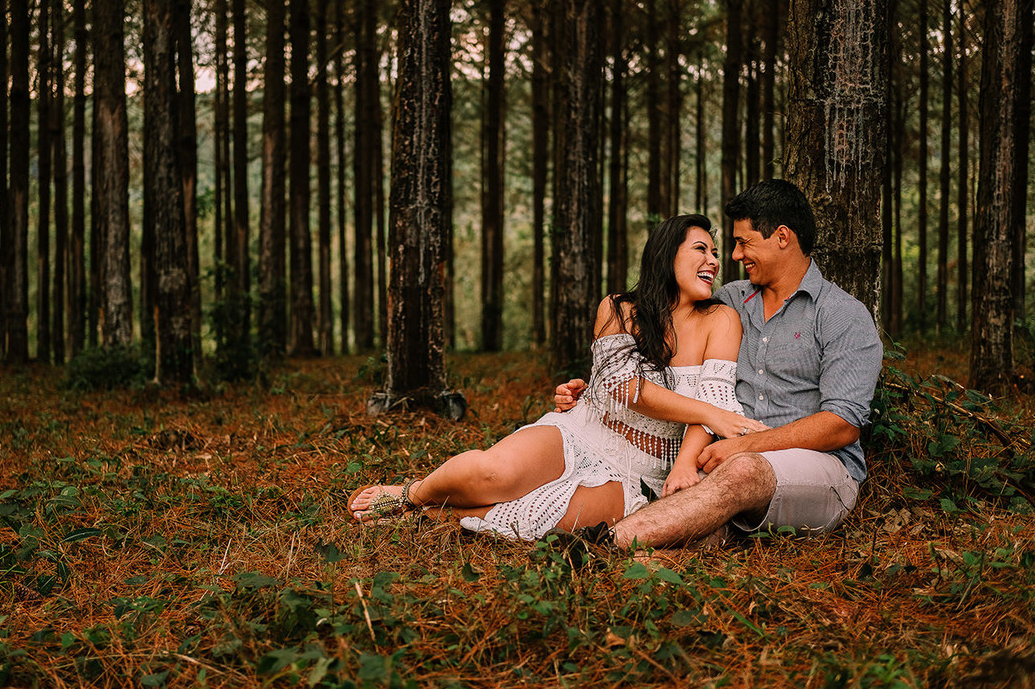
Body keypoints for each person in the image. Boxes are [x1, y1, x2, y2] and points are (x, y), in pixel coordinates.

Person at [347, 214, 769, 541]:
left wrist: (684, 464)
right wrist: (712, 414)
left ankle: (428, 518)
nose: (714, 261)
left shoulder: (721, 320)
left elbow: (714, 399)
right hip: (585, 431)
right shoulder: (619, 309)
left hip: (645, 470)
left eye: (716, 253)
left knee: (544, 520)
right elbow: (623, 388)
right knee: (494, 474)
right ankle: (412, 493)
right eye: (701, 249)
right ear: (666, 255)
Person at [555, 179, 883, 549]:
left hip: (819, 469)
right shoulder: (729, 301)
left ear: (782, 236)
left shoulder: (841, 315)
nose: (735, 255)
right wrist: (600, 391)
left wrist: (746, 446)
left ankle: (602, 546)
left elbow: (842, 425)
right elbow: (673, 364)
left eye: (744, 242)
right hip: (721, 465)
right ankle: (646, 556)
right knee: (687, 516)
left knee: (742, 472)